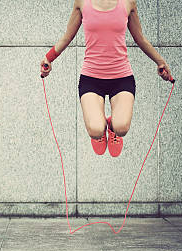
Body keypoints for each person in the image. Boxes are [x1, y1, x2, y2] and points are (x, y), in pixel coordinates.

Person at [40, 0, 173, 157]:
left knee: (121, 127)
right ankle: (102, 127)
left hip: (122, 77)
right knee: (95, 130)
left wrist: (160, 62)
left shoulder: (128, 3)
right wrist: (49, 59)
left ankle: (111, 126)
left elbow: (140, 39)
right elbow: (67, 37)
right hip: (91, 78)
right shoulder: (82, 2)